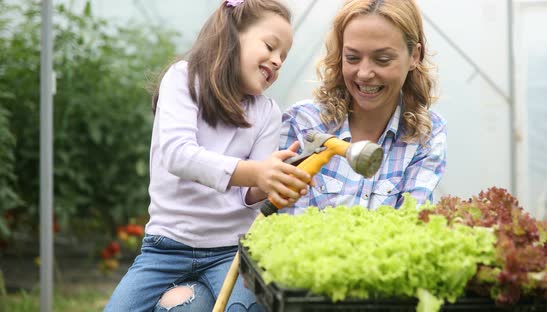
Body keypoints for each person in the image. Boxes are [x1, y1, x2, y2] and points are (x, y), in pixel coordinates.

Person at [104, 0, 310, 311]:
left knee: (247, 308)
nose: (278, 60)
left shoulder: (267, 112)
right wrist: (256, 172)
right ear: (232, 34)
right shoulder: (184, 80)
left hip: (232, 251)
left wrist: (272, 183)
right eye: (270, 46)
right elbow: (178, 155)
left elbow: (248, 192)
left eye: (284, 56)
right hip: (166, 249)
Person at [280, 0, 447, 214]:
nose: (364, 73)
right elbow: (289, 221)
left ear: (414, 56)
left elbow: (410, 223)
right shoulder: (304, 122)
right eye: (352, 57)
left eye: (382, 59)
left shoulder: (426, 135)